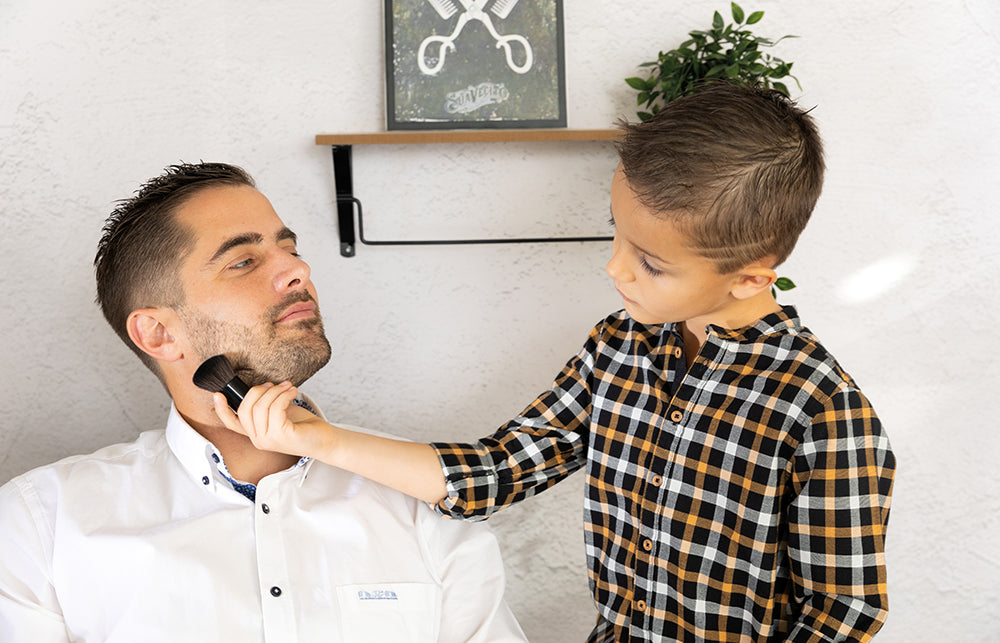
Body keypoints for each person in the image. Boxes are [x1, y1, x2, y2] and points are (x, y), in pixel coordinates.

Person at [215, 83, 897, 642]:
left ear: (751, 277)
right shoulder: (617, 349)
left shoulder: (823, 414)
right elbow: (495, 470)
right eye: (617, 234)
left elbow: (839, 617)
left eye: (650, 263)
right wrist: (321, 440)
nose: (614, 267)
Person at [0, 163, 526, 642]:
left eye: (290, 249)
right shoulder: (41, 525)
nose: (298, 272)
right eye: (244, 261)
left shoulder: (421, 497)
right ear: (159, 333)